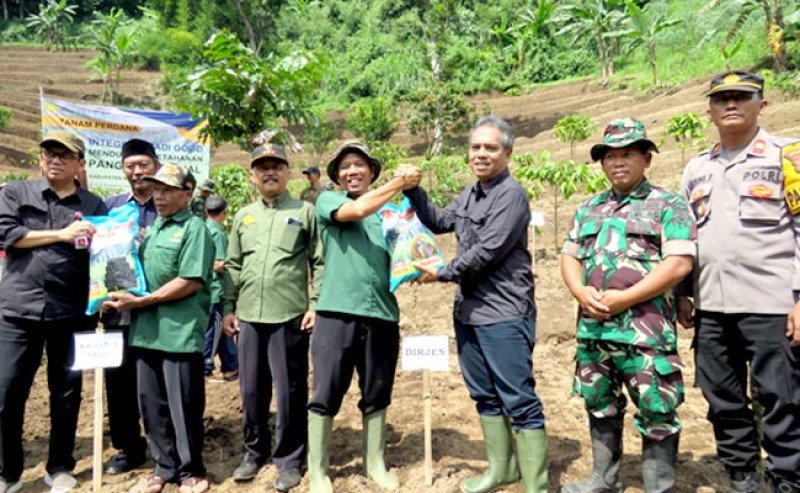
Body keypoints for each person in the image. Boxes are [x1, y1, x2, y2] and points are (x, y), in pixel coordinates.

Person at [407, 115, 547, 493]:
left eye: (491, 147)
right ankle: (501, 471)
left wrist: (441, 272)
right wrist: (414, 191)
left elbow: (489, 251)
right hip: (469, 311)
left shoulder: (512, 196)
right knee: (483, 393)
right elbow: (439, 221)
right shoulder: (472, 193)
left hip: (503, 312)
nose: (481, 154)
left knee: (518, 398)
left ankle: (536, 486)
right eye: (475, 147)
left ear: (508, 153)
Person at [677, 69, 800, 493]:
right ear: (709, 110)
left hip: (772, 304)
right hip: (712, 305)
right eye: (721, 98)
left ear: (762, 104)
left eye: (741, 96)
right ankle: (741, 476)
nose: (730, 104)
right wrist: (683, 294)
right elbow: (686, 238)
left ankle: (787, 479)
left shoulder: (788, 156)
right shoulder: (696, 169)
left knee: (781, 397)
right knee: (723, 398)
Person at [560, 118, 696, 493]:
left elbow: (679, 263)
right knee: (599, 403)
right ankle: (603, 478)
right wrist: (579, 291)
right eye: (610, 156)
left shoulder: (668, 205)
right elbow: (569, 255)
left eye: (628, 154)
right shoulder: (589, 208)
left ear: (646, 159)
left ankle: (659, 487)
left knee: (657, 408)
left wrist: (625, 298)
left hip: (645, 333)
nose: (618, 162)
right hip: (594, 329)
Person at [306, 140, 420, 493]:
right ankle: (319, 471)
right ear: (338, 176)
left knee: (377, 390)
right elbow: (354, 213)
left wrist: (420, 264)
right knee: (325, 391)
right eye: (345, 166)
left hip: (382, 314)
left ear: (372, 171)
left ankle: (375, 463)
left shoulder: (392, 210)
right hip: (337, 313)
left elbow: (409, 249)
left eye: (359, 165)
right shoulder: (328, 201)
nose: (352, 171)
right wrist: (400, 182)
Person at [0, 131, 107, 493]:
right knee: (7, 391)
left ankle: (59, 466)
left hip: (72, 312)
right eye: (49, 153)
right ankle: (8, 472)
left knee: (65, 394)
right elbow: (9, 235)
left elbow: (105, 256)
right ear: (40, 158)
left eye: (65, 154)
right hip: (18, 310)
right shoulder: (16, 193)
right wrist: (62, 234)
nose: (55, 160)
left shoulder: (94, 204)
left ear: (80, 163)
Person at [103, 163, 213, 493]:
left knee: (184, 406)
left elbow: (190, 281)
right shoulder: (152, 230)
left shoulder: (195, 229)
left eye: (167, 190)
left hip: (178, 333)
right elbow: (133, 274)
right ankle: (163, 467)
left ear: (187, 193)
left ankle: (191, 470)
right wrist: (109, 292)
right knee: (151, 405)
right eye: (157, 189)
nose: (159, 196)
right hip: (146, 332)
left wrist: (141, 302)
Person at [222, 143, 324, 491]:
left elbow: (319, 261)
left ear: (288, 172)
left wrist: (315, 303)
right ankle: (253, 452)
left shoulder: (304, 212)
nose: (270, 172)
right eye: (262, 167)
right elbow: (233, 265)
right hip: (249, 315)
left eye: (276, 166)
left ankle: (290, 459)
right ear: (252, 175)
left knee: (290, 390)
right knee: (251, 390)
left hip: (289, 315)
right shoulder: (243, 216)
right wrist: (227, 308)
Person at [101, 138, 160, 475]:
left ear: (155, 165)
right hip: (119, 310)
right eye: (130, 166)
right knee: (119, 384)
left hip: (158, 309)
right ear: (123, 169)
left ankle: (163, 445)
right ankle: (129, 447)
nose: (137, 171)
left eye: (143, 164)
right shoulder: (110, 207)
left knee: (155, 382)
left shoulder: (170, 203)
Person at [203, 194, 238, 381]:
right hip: (215, 290)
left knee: (223, 332)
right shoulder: (218, 232)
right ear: (225, 213)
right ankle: (205, 366)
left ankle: (232, 366)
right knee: (213, 330)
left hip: (205, 289)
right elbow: (218, 263)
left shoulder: (203, 228)